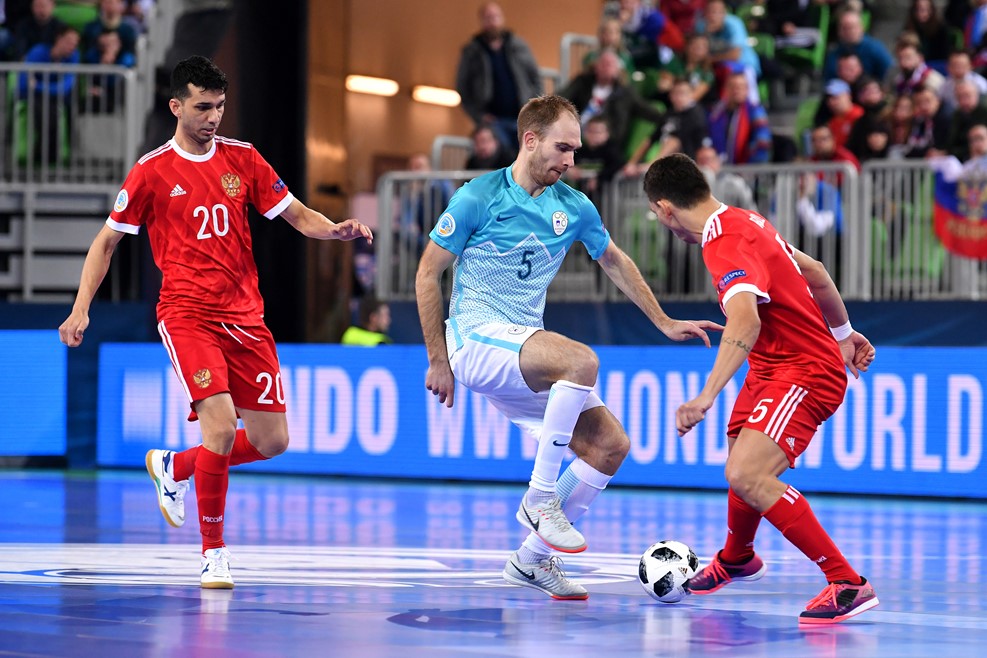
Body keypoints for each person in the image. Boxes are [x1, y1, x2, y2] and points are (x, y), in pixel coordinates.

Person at [57, 56, 373, 589]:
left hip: (246, 318)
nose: (213, 117)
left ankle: (175, 467)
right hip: (187, 316)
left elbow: (298, 214)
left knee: (272, 441)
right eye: (203, 107)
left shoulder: (242, 158)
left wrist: (333, 230)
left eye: (220, 107)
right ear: (176, 106)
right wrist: (80, 306)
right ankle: (213, 552)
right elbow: (106, 242)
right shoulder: (152, 171)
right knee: (222, 428)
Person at [415, 95, 720, 601]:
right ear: (530, 140)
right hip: (475, 340)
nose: (571, 161)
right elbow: (427, 274)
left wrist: (664, 321)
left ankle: (530, 561)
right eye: (563, 148)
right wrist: (437, 359)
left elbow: (614, 260)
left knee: (609, 447)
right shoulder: (478, 197)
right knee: (580, 361)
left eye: (575, 150)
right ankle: (540, 498)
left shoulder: (574, 206)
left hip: (522, 352)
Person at [643, 152, 879, 625]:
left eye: (656, 214)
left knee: (748, 474)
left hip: (804, 371)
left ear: (666, 209)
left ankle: (847, 582)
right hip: (772, 366)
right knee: (739, 458)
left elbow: (745, 321)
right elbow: (815, 271)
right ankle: (737, 558)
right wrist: (843, 333)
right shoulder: (745, 219)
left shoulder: (723, 243)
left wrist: (706, 395)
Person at [455, 1, 542, 153]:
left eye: (495, 17)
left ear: (502, 18)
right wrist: (479, 116)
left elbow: (535, 78)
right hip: (493, 122)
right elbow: (463, 88)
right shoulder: (472, 51)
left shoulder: (518, 46)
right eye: (488, 18)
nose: (493, 22)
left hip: (522, 116)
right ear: (481, 21)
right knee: (501, 158)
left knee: (528, 155)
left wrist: (534, 106)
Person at [707, 72, 773, 165]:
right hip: (719, 167)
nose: (736, 90)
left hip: (747, 169)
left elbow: (762, 143)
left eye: (741, 87)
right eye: (732, 86)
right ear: (725, 89)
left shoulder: (756, 112)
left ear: (747, 90)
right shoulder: (715, 114)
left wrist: (748, 169)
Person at [822, 10, 892, 83]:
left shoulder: (875, 48)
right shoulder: (834, 51)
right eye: (844, 28)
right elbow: (829, 78)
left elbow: (889, 71)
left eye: (852, 27)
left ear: (862, 28)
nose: (848, 31)